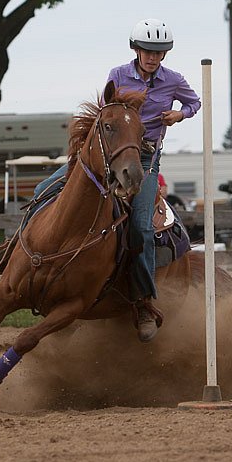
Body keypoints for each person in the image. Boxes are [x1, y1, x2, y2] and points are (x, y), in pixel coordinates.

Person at [33, 18, 201, 342]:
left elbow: (194, 103)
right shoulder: (118, 75)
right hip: (110, 152)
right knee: (43, 190)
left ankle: (143, 303)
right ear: (136, 49)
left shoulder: (174, 81)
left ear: (165, 54)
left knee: (141, 225)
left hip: (145, 157)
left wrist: (180, 114)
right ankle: (23, 263)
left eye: (158, 52)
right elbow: (106, 112)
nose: (152, 57)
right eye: (147, 51)